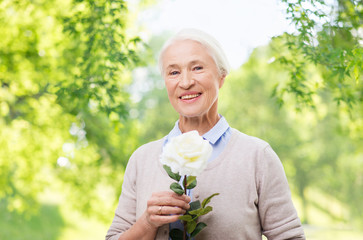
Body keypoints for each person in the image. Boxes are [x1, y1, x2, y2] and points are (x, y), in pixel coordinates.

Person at [106, 28, 305, 240]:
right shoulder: (141, 160)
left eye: (197, 68)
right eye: (173, 72)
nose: (185, 82)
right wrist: (147, 222)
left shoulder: (258, 156)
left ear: (221, 77)